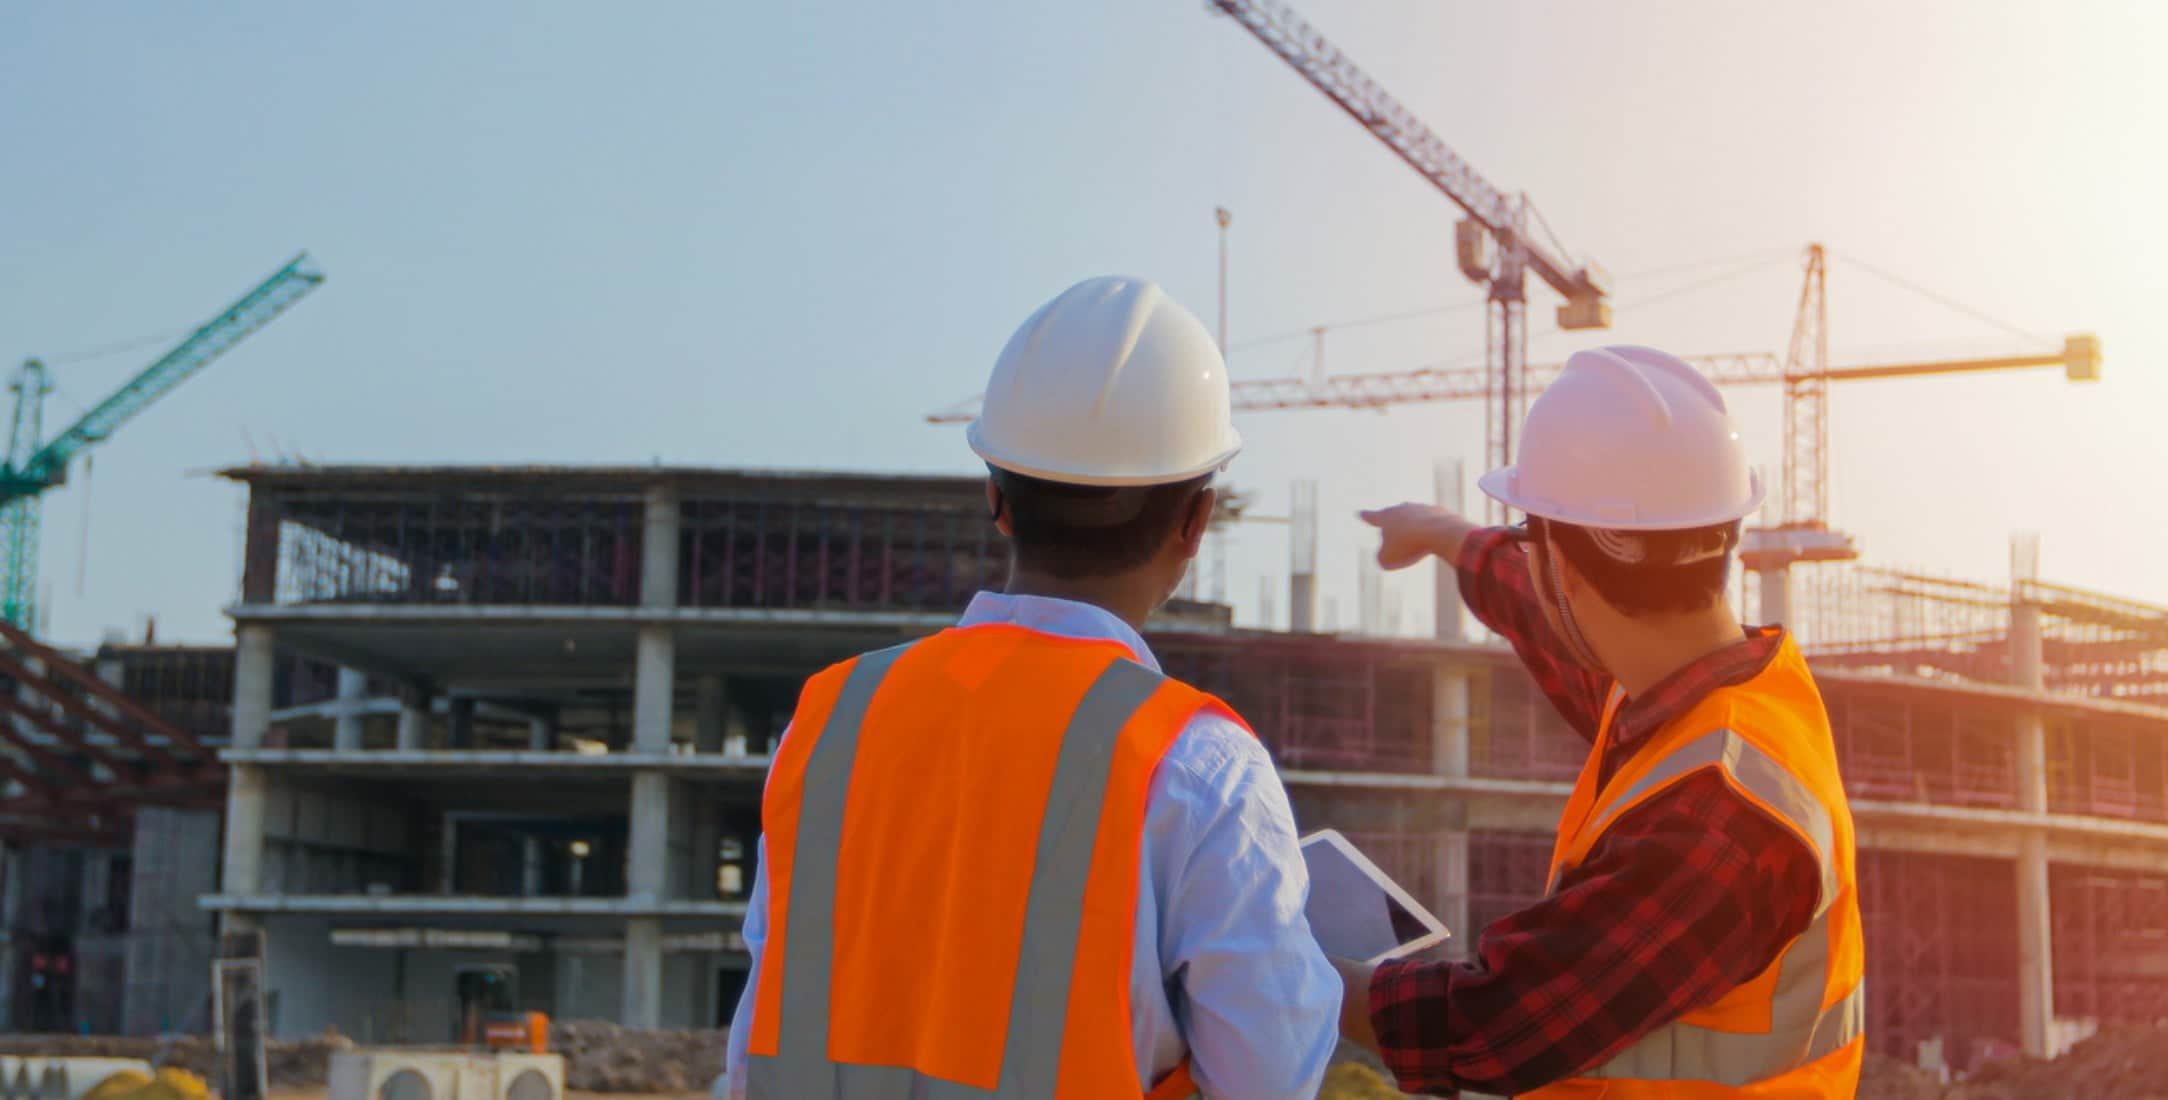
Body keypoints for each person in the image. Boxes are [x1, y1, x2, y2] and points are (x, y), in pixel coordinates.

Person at [724, 276, 1340, 1100]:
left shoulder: (832, 718)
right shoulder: (1199, 766)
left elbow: (761, 1026)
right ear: (1197, 522)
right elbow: (1269, 1076)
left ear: (996, 499)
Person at [1344, 345, 1864, 1098]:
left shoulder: (1718, 819)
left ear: (1567, 564)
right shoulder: (1716, 697)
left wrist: (1293, 971)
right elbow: (1540, 603)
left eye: (1533, 540)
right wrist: (1440, 533)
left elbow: (1492, 1025)